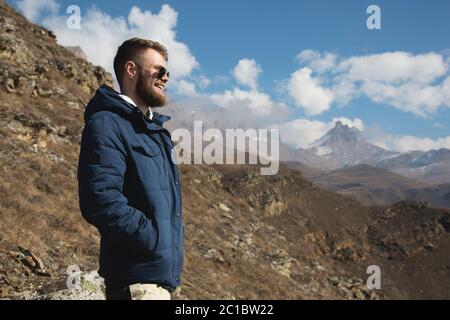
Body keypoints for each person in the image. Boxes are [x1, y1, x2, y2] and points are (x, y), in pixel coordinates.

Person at [77, 38, 183, 300]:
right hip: (136, 284)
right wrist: (153, 240)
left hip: (158, 283)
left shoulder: (156, 132)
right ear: (131, 70)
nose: (165, 77)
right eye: (158, 70)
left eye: (167, 71)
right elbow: (100, 199)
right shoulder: (107, 123)